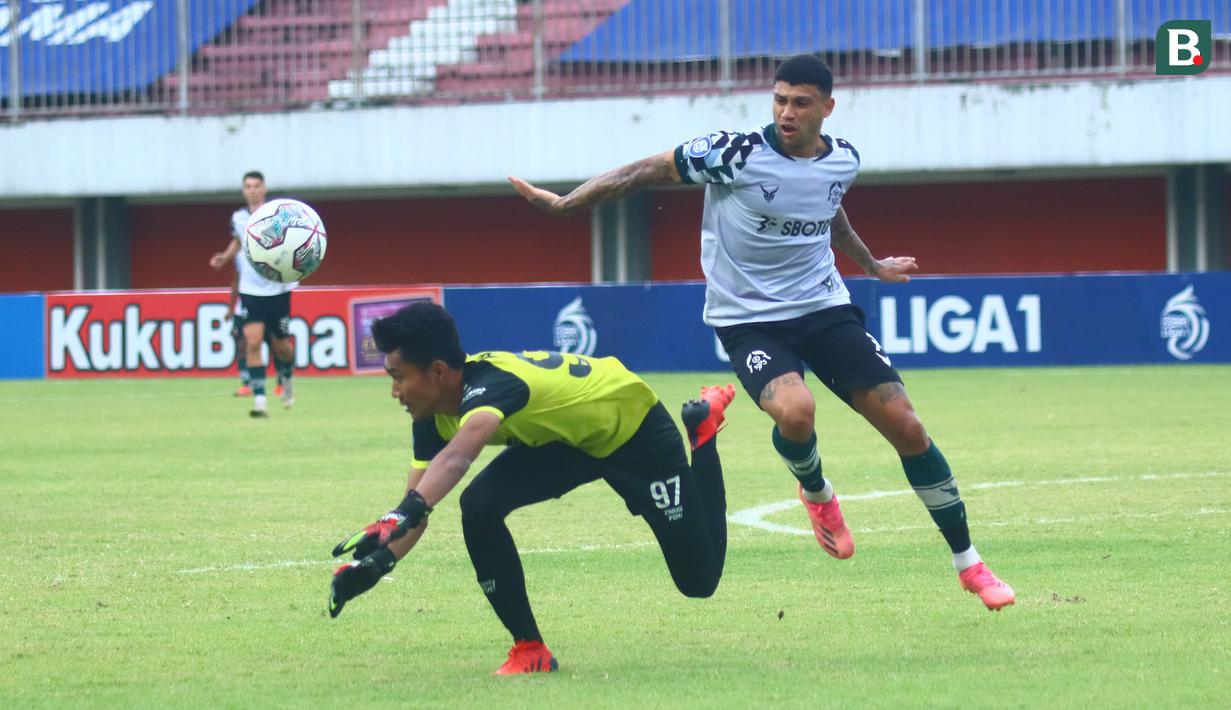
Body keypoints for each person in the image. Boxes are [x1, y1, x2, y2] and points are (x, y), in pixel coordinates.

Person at [508, 54, 1014, 611]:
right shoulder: (733, 154)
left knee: (909, 428)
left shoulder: (843, 160)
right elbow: (643, 171)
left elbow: (828, 210)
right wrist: (566, 203)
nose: (786, 112)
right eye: (779, 100)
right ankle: (816, 490)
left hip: (824, 307)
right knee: (796, 412)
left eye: (800, 103)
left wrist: (870, 264)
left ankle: (969, 563)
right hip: (748, 319)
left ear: (827, 107)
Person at [327, 302, 735, 674]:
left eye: (398, 377)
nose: (394, 392)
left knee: (699, 581)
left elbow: (456, 460)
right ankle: (530, 649)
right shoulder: (430, 416)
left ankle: (702, 433)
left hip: (633, 429)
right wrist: (376, 564)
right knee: (479, 504)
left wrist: (400, 516)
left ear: (437, 371)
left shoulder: (492, 386)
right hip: (567, 442)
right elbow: (416, 510)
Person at [209, 171, 296, 417]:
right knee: (253, 341)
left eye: (257, 185)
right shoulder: (238, 217)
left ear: (264, 188)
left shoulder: (277, 215)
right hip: (250, 289)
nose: (253, 190)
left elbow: (293, 240)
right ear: (243, 190)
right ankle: (260, 400)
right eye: (248, 186)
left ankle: (287, 376)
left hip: (277, 288)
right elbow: (239, 240)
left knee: (281, 346)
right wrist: (225, 257)